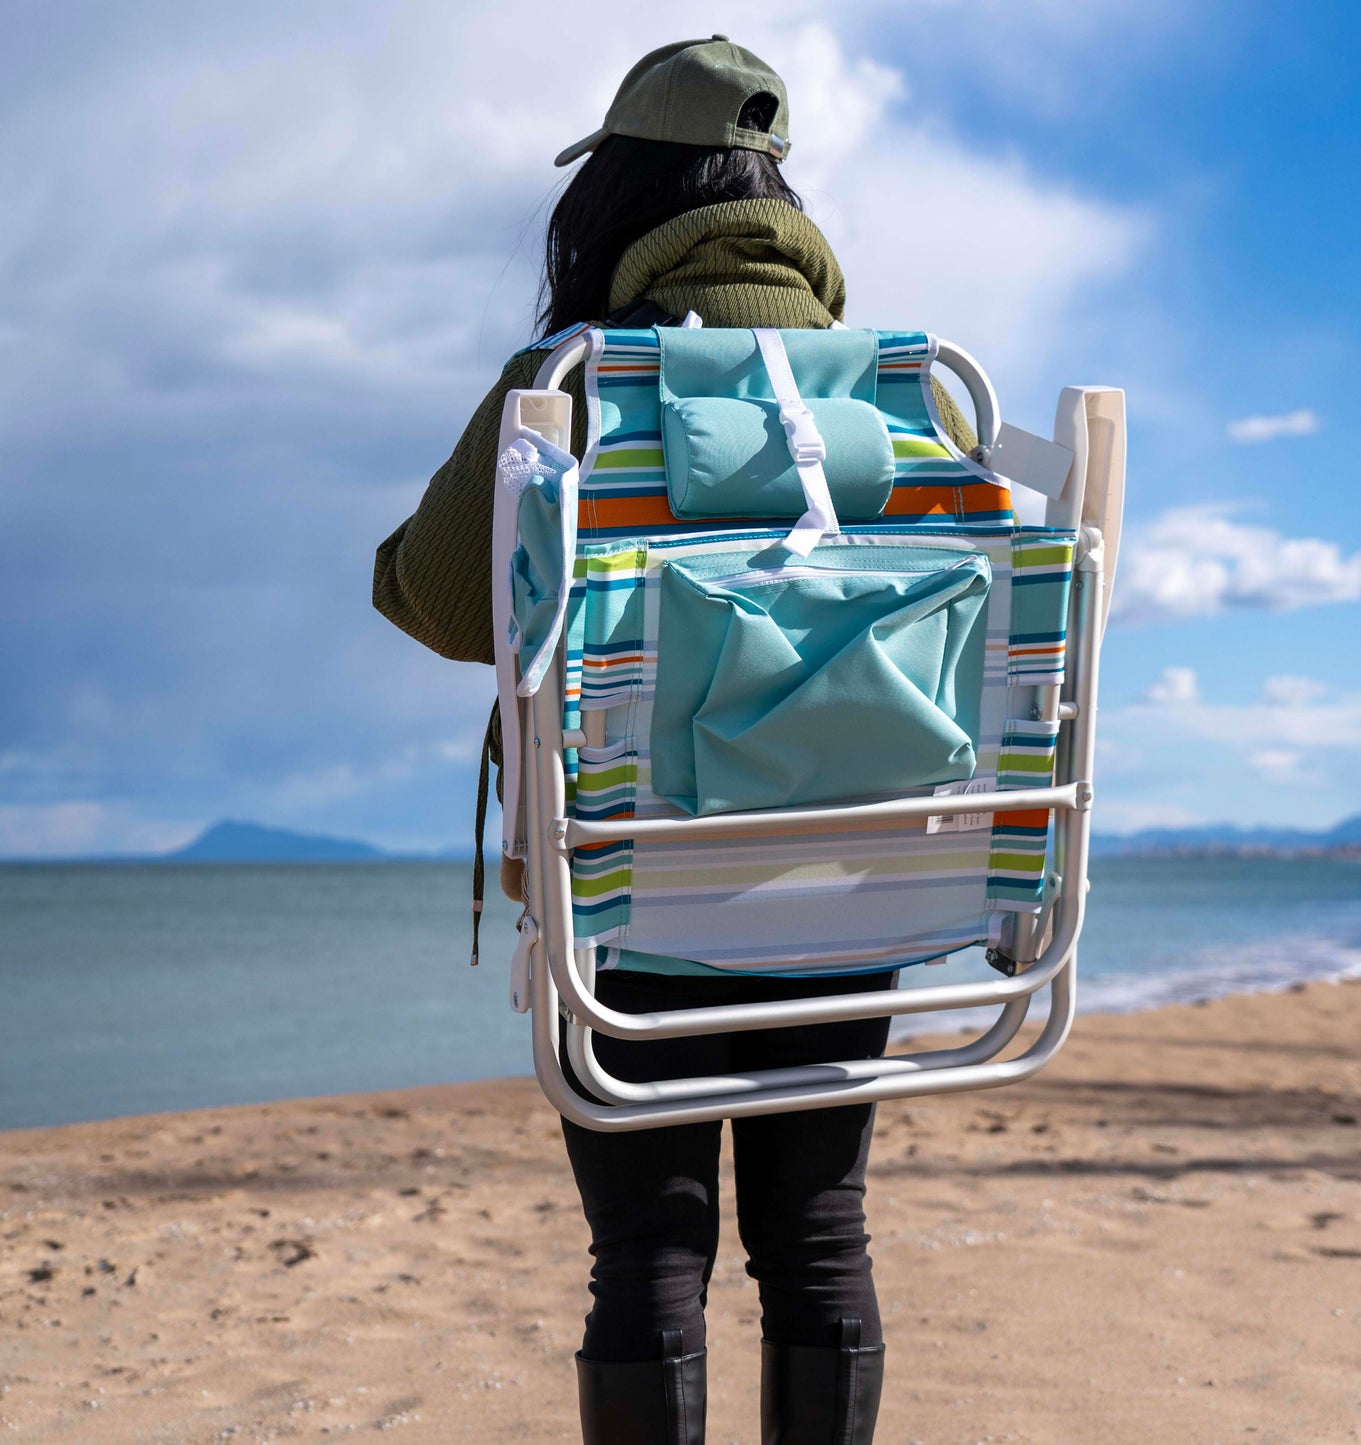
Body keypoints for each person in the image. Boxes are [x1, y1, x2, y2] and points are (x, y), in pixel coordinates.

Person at [374, 36, 977, 1445]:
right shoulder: (907, 400)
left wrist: (405, 560)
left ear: (620, 203)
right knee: (819, 1232)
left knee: (646, 1252)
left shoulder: (582, 378)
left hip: (640, 904)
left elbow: (456, 605)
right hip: (857, 893)